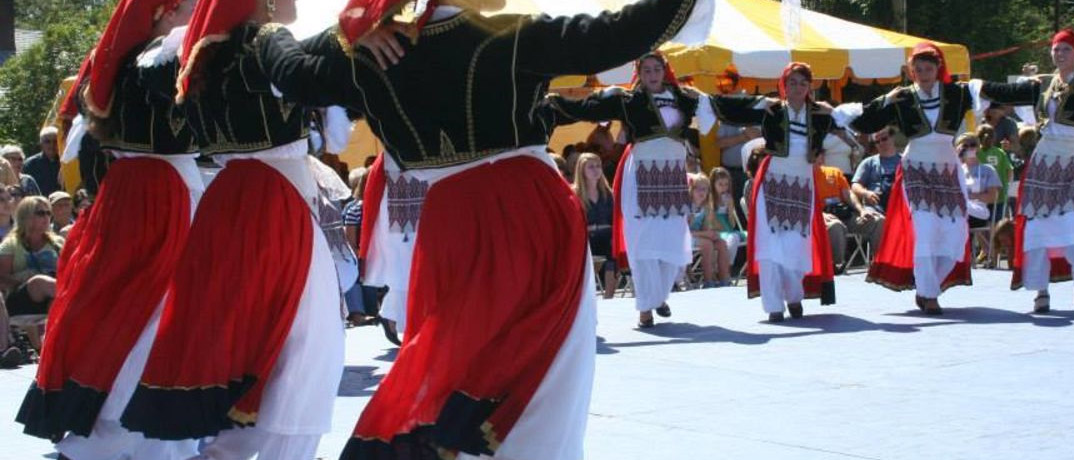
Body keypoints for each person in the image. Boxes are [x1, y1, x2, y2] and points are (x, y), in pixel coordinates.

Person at [256, 0, 712, 456]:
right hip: (529, 213)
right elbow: (620, 31)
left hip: (448, 224)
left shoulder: (367, 52)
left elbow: (292, 73)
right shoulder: (509, 35)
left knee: (453, 365)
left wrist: (322, 29)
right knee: (546, 380)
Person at [120, 1, 347, 458]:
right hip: (278, 202)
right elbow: (307, 78)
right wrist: (354, 42)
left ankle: (227, 451)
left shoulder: (190, 56)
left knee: (246, 341)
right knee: (310, 347)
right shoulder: (262, 41)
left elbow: (151, 73)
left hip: (226, 204)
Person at [14, 2, 203, 459]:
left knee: (124, 311)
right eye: (192, 6)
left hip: (127, 194)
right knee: (157, 313)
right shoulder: (162, 58)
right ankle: (129, 431)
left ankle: (124, 430)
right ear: (164, 11)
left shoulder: (108, 63)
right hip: (162, 194)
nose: (201, 13)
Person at [832, 42, 989, 315]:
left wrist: (1031, 89)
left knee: (955, 232)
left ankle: (930, 287)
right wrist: (885, 100)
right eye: (918, 69)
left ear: (938, 68)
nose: (924, 73)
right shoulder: (902, 97)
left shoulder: (956, 93)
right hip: (916, 166)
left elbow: (996, 95)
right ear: (911, 71)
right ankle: (929, 294)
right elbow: (864, 122)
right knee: (926, 230)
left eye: (929, 68)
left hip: (947, 168)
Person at [544, 52, 699, 328]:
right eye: (646, 69)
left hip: (673, 177)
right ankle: (645, 307)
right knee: (643, 240)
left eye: (656, 69)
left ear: (665, 71)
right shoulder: (629, 100)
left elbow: (723, 105)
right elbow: (589, 106)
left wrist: (765, 106)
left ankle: (657, 295)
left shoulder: (685, 98)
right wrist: (555, 103)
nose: (652, 74)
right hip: (641, 174)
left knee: (672, 240)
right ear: (639, 74)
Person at [708, 62, 838, 322]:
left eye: (803, 83)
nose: (797, 88)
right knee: (769, 244)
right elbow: (733, 111)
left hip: (802, 185)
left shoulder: (821, 113)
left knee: (795, 243)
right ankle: (773, 305)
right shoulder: (771, 109)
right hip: (772, 182)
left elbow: (854, 123)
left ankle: (794, 295)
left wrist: (835, 113)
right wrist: (756, 102)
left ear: (809, 86)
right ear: (784, 86)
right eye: (792, 83)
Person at [978, 29, 1074, 312]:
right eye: (1056, 50)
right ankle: (1040, 289)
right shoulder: (1042, 85)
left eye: (1066, 49)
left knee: (1071, 225)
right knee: (1036, 227)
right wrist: (974, 86)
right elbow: (1006, 92)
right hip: (1045, 160)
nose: (1059, 54)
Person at [0, 197, 62, 351]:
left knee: (56, 301)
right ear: (26, 216)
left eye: (49, 213)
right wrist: (25, 279)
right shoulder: (11, 244)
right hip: (20, 300)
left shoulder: (57, 243)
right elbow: (1, 279)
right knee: (38, 282)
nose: (47, 217)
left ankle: (48, 349)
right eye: (41, 213)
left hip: (53, 295)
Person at [815, 156, 881, 271]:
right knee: (835, 226)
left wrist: (862, 211)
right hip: (823, 217)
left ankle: (881, 262)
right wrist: (820, 214)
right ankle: (837, 265)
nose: (817, 159)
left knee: (877, 220)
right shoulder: (803, 177)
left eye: (818, 156)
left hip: (846, 214)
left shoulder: (834, 172)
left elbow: (848, 194)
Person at [574, 152, 618, 299]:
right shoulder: (575, 194)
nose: (596, 170)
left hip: (607, 235)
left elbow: (615, 219)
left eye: (598, 166)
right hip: (586, 237)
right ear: (582, 171)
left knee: (612, 251)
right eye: (591, 167)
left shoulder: (608, 193)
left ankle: (609, 297)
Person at [687, 173, 731, 287]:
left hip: (698, 235)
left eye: (705, 189)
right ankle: (708, 281)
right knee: (707, 244)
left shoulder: (706, 206)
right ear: (691, 190)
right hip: (685, 237)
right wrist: (706, 234)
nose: (702, 192)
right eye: (698, 189)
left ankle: (724, 279)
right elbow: (685, 231)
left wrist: (711, 234)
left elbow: (705, 227)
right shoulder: (687, 207)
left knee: (721, 243)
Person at [851, 126, 902, 215]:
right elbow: (855, 185)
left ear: (893, 138)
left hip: (900, 206)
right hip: (875, 208)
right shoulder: (869, 162)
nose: (881, 143)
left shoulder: (905, 161)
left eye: (884, 139)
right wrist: (866, 193)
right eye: (877, 142)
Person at [957, 133, 1002, 229]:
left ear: (978, 148)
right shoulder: (956, 170)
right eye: (965, 145)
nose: (969, 148)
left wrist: (969, 196)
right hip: (959, 210)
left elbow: (993, 197)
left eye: (973, 144)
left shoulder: (987, 169)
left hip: (978, 211)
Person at [709, 166, 746, 266]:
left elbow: (732, 224)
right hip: (714, 230)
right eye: (720, 184)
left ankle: (725, 267)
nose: (724, 187)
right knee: (723, 241)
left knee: (733, 238)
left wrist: (730, 209)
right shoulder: (709, 200)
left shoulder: (729, 199)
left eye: (726, 184)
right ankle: (721, 269)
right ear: (713, 184)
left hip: (728, 230)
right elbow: (710, 223)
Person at [23, 127, 63, 196]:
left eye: (55, 141)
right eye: (47, 141)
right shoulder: (30, 164)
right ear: (41, 143)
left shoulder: (65, 163)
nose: (52, 145)